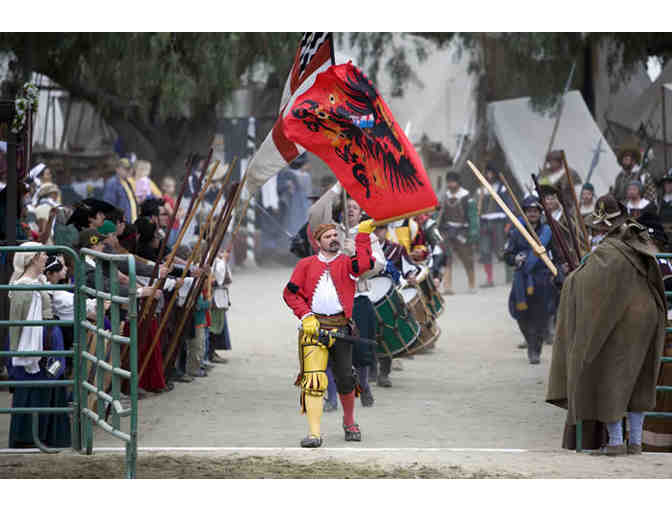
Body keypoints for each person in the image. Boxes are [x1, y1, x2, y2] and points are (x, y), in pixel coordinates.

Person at [547, 194, 666, 455]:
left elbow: (585, 284)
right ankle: (634, 441)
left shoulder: (608, 252)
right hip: (648, 315)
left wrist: (570, 278)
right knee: (640, 377)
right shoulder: (639, 239)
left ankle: (614, 442)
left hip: (622, 318)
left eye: (599, 227)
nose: (598, 231)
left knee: (610, 374)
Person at [283, 220, 374, 448]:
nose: (333, 238)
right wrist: (306, 316)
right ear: (318, 242)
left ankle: (350, 422)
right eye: (328, 236)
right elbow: (290, 294)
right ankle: (314, 433)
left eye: (335, 235)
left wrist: (362, 237)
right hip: (313, 329)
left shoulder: (347, 262)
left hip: (341, 328)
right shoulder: (305, 264)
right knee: (313, 379)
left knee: (345, 379)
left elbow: (364, 265)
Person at [7, 242, 71, 449]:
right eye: (43, 254)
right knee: (35, 387)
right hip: (34, 345)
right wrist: (28, 357)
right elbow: (20, 327)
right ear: (33, 258)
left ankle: (48, 437)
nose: (46, 257)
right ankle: (30, 440)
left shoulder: (39, 281)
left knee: (50, 387)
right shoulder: (24, 287)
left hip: (47, 341)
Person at [502, 196, 556, 364]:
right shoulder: (516, 231)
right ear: (524, 213)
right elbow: (507, 255)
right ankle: (530, 340)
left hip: (542, 279)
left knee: (540, 317)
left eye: (535, 211)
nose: (532, 214)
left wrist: (560, 267)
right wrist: (515, 258)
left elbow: (558, 255)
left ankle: (535, 349)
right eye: (529, 211)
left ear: (540, 213)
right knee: (521, 314)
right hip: (521, 279)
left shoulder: (548, 232)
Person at [437, 171, 479, 295]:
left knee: (467, 258)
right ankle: (447, 287)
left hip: (463, 232)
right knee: (447, 259)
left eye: (452, 182)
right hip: (448, 231)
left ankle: (472, 284)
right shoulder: (445, 196)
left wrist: (473, 232)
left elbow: (472, 216)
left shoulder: (467, 196)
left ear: (458, 182)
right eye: (449, 182)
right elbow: (440, 215)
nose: (450, 184)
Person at [476, 165, 513, 288]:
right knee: (485, 251)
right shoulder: (481, 190)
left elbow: (509, 206)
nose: (489, 176)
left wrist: (508, 223)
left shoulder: (502, 189)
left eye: (491, 173)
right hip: (485, 223)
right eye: (487, 173)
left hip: (499, 222)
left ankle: (510, 277)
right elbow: (476, 209)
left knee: (502, 250)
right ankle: (489, 279)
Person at [102, 157, 138, 224]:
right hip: (121, 223)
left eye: (129, 169)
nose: (128, 171)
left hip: (131, 222)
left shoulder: (128, 182)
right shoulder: (112, 183)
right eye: (125, 169)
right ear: (117, 169)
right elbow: (108, 205)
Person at [657, 168, 672, 238]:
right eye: (665, 183)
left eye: (669, 183)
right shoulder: (659, 199)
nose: (667, 185)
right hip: (661, 232)